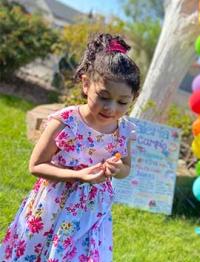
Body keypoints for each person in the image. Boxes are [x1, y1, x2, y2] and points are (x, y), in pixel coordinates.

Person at [0, 33, 141, 261]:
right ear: (86, 84)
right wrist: (77, 176)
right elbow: (36, 165)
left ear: (133, 98)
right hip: (52, 205)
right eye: (103, 96)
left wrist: (117, 168)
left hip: (90, 212)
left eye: (122, 102)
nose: (111, 108)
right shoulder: (66, 121)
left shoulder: (124, 131)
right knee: (36, 252)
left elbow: (126, 167)